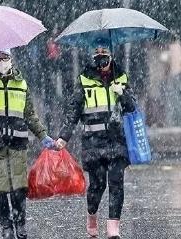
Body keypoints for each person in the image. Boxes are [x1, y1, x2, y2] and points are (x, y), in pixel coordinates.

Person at [0, 49, 54, 239]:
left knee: (18, 187)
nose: (3, 62)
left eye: (6, 58)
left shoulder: (21, 83)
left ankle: (20, 224)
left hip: (17, 142)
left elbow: (29, 114)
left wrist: (43, 136)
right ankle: (6, 225)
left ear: (11, 60)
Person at [55, 41, 136, 239]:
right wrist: (64, 136)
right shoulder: (84, 79)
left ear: (111, 55)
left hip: (117, 141)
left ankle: (113, 228)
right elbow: (73, 111)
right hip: (93, 142)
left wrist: (122, 93)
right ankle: (92, 215)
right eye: (97, 53)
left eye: (104, 52)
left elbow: (132, 107)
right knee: (98, 186)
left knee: (116, 183)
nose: (100, 56)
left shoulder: (122, 77)